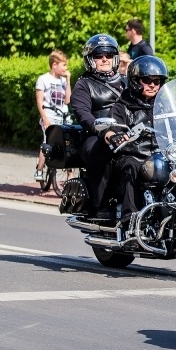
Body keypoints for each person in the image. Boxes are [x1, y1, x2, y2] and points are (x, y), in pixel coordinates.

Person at [103, 56, 168, 228]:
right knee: (131, 166)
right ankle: (129, 219)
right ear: (135, 81)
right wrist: (114, 135)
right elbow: (111, 128)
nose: (153, 85)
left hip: (161, 156)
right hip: (134, 155)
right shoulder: (123, 105)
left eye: (157, 81)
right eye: (147, 80)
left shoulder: (164, 105)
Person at [70, 34, 124, 219]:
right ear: (90, 59)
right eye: (99, 55)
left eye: (109, 55)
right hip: (97, 135)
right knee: (101, 150)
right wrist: (104, 131)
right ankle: (101, 205)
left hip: (127, 134)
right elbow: (83, 114)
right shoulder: (84, 85)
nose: (104, 59)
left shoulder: (127, 82)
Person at [34, 50, 72, 182]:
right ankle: (39, 169)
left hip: (63, 115)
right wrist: (44, 117)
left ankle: (70, 176)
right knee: (47, 141)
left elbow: (67, 100)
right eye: (63, 65)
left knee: (68, 144)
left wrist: (68, 81)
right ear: (54, 65)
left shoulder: (63, 81)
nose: (65, 68)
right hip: (49, 114)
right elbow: (39, 101)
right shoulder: (43, 79)